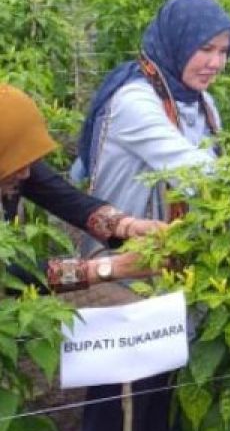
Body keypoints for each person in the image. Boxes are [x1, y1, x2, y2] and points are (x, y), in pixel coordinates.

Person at [74, 0, 230, 431]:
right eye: (204, 49)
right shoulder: (135, 99)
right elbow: (194, 171)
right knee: (118, 402)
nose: (215, 62)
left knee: (158, 397)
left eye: (224, 51)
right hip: (120, 273)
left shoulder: (202, 104)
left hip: (167, 271)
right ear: (175, 42)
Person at [1, 85, 163, 292]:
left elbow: (61, 196)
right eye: (16, 166)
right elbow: (6, 277)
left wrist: (127, 226)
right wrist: (109, 268)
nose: (25, 174)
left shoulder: (8, 158)